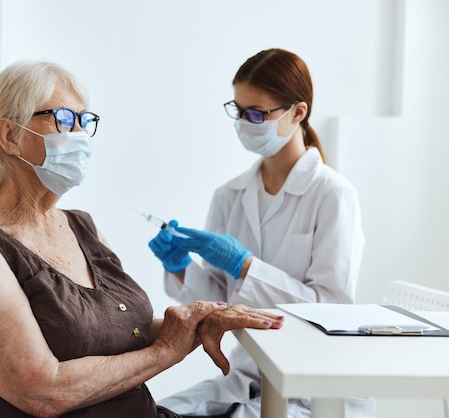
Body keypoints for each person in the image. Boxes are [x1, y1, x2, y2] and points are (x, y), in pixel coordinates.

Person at [0, 60, 284, 418]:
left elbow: (121, 334)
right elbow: (42, 392)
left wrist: (197, 324)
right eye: (64, 119)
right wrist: (165, 352)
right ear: (9, 136)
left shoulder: (81, 227)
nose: (79, 135)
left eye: (85, 121)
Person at [148, 48, 375, 418]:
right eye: (238, 110)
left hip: (316, 387)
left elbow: (332, 310)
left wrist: (245, 266)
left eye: (256, 113)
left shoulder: (333, 195)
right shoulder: (229, 195)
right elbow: (222, 304)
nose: (244, 122)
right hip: (247, 376)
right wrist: (181, 267)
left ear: (298, 112)